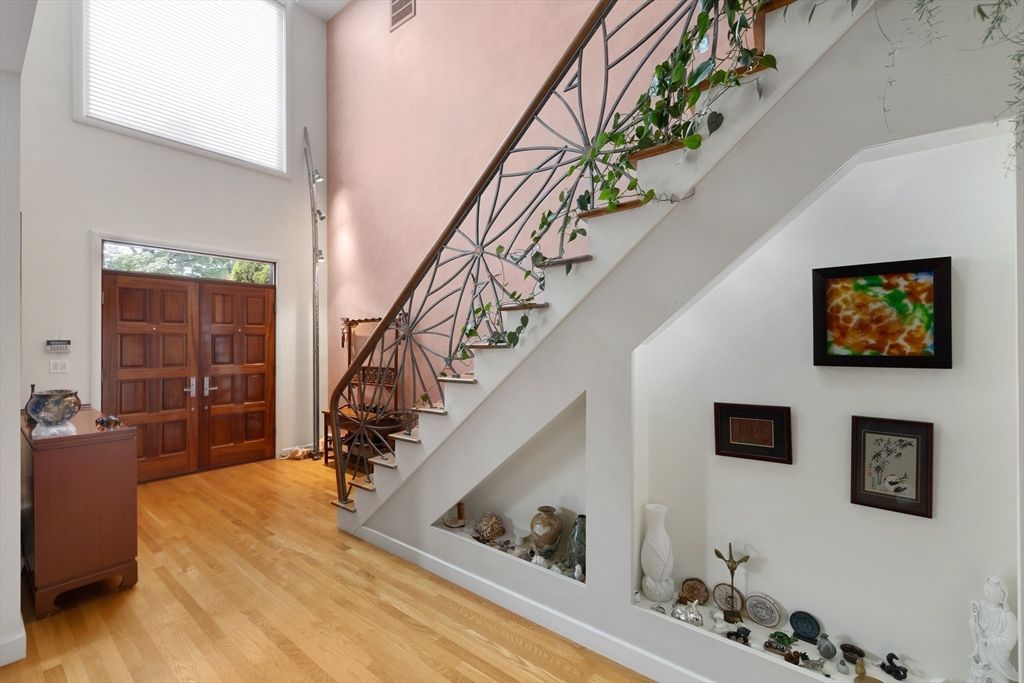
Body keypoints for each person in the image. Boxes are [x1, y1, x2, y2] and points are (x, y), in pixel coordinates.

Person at [969, 577, 1019, 683]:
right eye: (986, 592)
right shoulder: (982, 606)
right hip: (982, 649)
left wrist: (990, 641)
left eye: (990, 593)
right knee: (981, 674)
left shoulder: (1007, 616)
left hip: (996, 654)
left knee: (999, 678)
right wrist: (974, 617)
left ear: (1002, 595)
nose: (987, 595)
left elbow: (1009, 640)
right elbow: (974, 624)